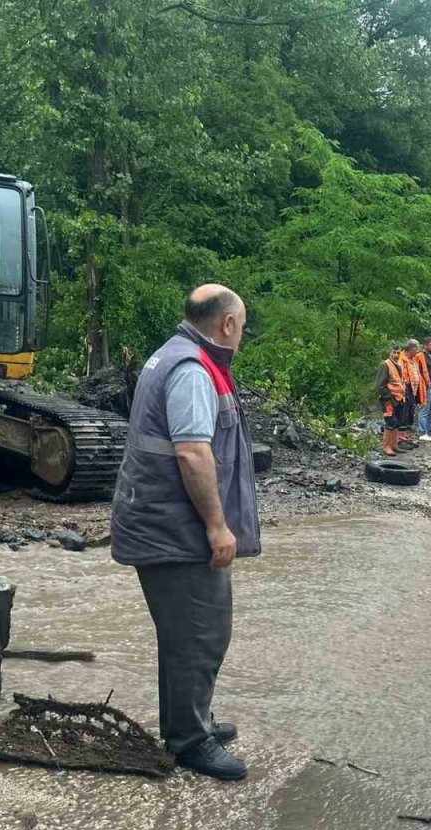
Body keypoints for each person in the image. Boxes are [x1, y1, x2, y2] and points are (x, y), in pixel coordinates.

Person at [111, 285, 260, 781]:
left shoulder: (172, 355)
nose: (242, 332)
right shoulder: (193, 371)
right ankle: (189, 742)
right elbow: (193, 453)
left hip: (160, 520)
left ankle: (190, 722)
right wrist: (218, 527)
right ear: (227, 324)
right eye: (242, 323)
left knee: (187, 634)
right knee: (199, 635)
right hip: (174, 529)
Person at [376, 343, 410, 456]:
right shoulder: (385, 365)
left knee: (398, 422)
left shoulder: (399, 365)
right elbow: (381, 385)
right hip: (389, 399)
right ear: (390, 352)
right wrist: (388, 399)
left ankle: (394, 445)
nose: (396, 355)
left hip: (400, 398)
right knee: (391, 422)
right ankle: (386, 447)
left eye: (398, 353)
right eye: (394, 352)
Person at [402, 339, 426, 439]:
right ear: (411, 348)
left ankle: (407, 435)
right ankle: (402, 436)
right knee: (404, 412)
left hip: (414, 390)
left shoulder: (414, 360)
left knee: (411, 412)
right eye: (417, 348)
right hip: (405, 390)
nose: (418, 350)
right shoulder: (402, 359)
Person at [416, 336, 431, 439]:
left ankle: (430, 432)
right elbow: (418, 371)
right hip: (426, 386)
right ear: (425, 346)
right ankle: (422, 432)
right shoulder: (420, 356)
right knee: (424, 410)